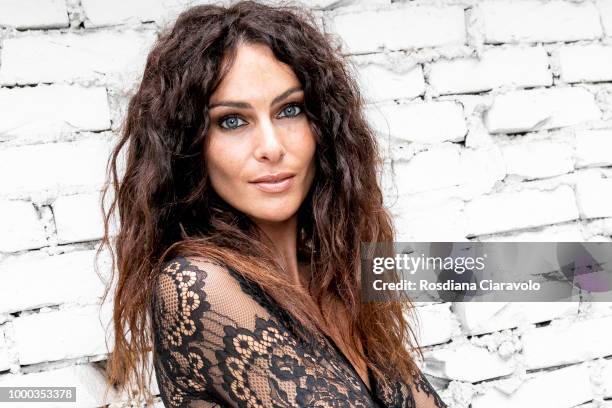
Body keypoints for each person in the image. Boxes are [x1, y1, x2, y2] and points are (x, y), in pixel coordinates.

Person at [98, 1, 448, 407]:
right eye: (232, 120)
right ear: (189, 146)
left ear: (322, 126)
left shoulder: (335, 277)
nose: (271, 147)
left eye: (290, 110)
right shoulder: (198, 286)